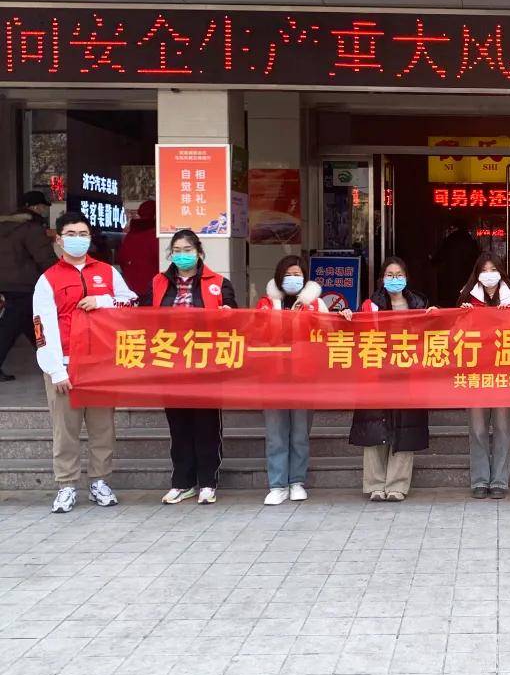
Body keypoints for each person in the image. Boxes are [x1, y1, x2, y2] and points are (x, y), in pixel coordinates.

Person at [34, 211, 136, 513]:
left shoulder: (107, 272)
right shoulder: (48, 279)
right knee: (65, 429)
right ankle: (66, 484)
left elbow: (131, 302)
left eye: (83, 234)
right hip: (65, 364)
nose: (77, 239)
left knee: (103, 428)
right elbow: (42, 328)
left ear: (90, 238)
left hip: (101, 364)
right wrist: (55, 370)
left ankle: (99, 481)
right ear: (59, 239)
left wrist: (102, 301)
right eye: (71, 234)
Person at [144, 230, 236, 506]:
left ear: (198, 252)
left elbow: (236, 317)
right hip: (170, 361)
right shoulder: (158, 282)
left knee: (206, 425)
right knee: (179, 425)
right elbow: (141, 316)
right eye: (177, 250)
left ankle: (207, 482)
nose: (182, 255)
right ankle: (182, 483)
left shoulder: (218, 283)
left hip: (205, 362)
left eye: (187, 250)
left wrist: (228, 314)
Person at [256, 256, 353, 506]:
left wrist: (342, 316)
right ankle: (277, 485)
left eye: (297, 274)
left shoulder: (315, 303)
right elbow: (258, 332)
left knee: (300, 433)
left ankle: (296, 482)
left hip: (304, 378)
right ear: (279, 276)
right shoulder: (266, 303)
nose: (293, 278)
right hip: (273, 378)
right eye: (288, 274)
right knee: (276, 434)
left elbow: (330, 331)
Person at [349, 257, 433, 501]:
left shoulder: (419, 305)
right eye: (390, 275)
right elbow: (354, 333)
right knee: (375, 427)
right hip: (377, 374)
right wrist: (346, 316)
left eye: (399, 275)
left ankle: (397, 485)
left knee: (405, 428)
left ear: (406, 278)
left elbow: (432, 334)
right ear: (382, 279)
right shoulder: (370, 306)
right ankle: (375, 484)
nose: (394, 279)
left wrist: (436, 317)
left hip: (408, 375)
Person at [458, 253, 510, 499]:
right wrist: (463, 317)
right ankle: (479, 480)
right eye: (484, 270)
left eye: (493, 269)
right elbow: (456, 336)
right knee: (477, 428)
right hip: (476, 371)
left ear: (501, 272)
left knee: (503, 427)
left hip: (505, 370)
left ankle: (499, 481)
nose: (489, 274)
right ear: (477, 274)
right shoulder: (467, 297)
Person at [0, 190, 56, 381]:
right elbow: (45, 258)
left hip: (8, 284)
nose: (45, 211)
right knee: (10, 328)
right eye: (44, 207)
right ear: (36, 207)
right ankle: (53, 362)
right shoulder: (31, 228)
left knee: (29, 324)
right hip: (25, 285)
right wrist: (61, 276)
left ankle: (52, 361)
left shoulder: (5, 226)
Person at [432, 218, 480, 307]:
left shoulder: (450, 239)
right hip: (467, 275)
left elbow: (439, 257)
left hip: (450, 275)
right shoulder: (470, 241)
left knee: (451, 301)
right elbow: (476, 259)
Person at [117, 200, 159, 299]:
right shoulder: (156, 236)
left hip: (131, 288)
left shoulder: (129, 236)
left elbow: (121, 259)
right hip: (153, 289)